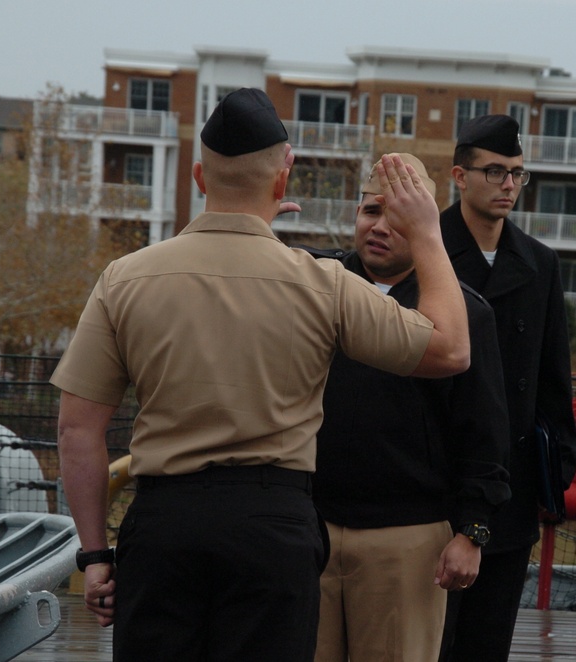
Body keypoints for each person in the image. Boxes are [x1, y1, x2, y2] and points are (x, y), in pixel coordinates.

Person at [51, 88, 470, 662]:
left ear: (200, 176)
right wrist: (425, 233)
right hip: (273, 527)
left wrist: (96, 554)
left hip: (164, 524)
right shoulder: (322, 284)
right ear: (283, 179)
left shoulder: (125, 279)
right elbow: (450, 350)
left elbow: (77, 431)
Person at [308, 153, 511, 662]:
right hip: (309, 526)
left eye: (398, 217)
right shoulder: (311, 288)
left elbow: (484, 433)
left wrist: (472, 532)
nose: (379, 227)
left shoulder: (464, 316)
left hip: (408, 536)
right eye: (370, 211)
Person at [439, 115, 576, 661]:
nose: (507, 186)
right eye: (494, 171)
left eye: (517, 175)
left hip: (512, 490)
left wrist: (556, 474)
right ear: (460, 175)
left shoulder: (539, 263)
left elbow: (553, 377)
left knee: (487, 643)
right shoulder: (426, 251)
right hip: (439, 483)